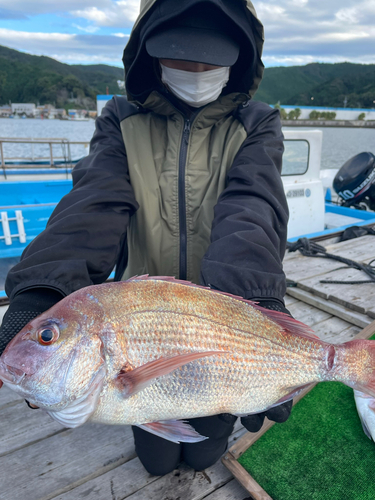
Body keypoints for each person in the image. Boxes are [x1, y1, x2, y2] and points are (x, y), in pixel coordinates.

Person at [0, 0, 293, 476]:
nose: (196, 69)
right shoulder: (119, 118)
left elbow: (253, 207)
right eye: (179, 55)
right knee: (156, 458)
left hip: (218, 326)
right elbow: (94, 203)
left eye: (212, 59)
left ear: (241, 58)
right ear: (148, 53)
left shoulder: (257, 123)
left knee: (204, 452)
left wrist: (257, 295)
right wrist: (43, 289)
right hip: (135, 330)